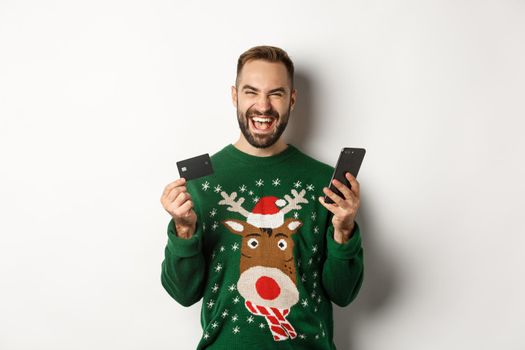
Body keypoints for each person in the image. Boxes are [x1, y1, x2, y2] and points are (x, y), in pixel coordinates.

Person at [160, 46, 364, 349]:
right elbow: (184, 294)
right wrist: (183, 230)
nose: (263, 106)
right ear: (234, 96)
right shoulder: (200, 184)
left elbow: (343, 294)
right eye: (251, 92)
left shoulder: (326, 182)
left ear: (292, 99)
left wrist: (344, 231)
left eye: (276, 94)